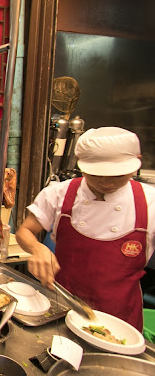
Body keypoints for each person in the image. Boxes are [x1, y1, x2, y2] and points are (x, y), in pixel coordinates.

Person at [16, 127, 155, 330]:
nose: (106, 182)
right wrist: (38, 249)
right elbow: (25, 231)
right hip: (61, 307)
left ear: (137, 162)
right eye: (97, 174)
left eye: (117, 175)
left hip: (120, 320)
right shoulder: (58, 194)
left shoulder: (150, 202)